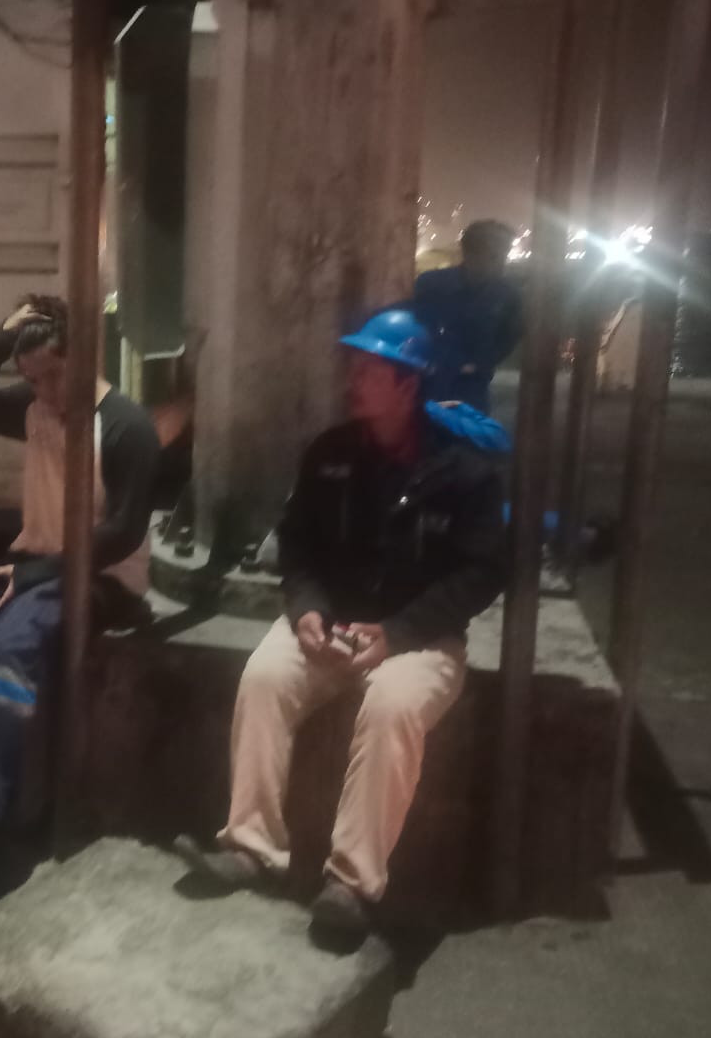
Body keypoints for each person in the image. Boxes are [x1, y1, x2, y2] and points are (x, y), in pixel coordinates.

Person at [177, 310, 507, 950]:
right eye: (353, 367)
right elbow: (297, 545)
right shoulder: (331, 453)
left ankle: (352, 884)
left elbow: (484, 573)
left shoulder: (464, 471)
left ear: (407, 384)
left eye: (367, 370)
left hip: (421, 638)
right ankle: (250, 847)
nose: (351, 381)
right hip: (332, 625)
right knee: (265, 676)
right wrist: (306, 609)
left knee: (391, 707)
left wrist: (398, 633)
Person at [0, 295, 161, 925]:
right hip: (36, 566)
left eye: (54, 375)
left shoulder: (126, 425)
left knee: (13, 649)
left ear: (85, 357)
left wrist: (33, 573)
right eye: (32, 380)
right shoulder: (37, 410)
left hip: (102, 578)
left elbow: (124, 533)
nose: (46, 393)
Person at [413, 219, 522, 412]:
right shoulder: (431, 285)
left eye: (504, 254)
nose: (502, 263)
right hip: (427, 384)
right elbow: (413, 325)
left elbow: (511, 335)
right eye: (494, 256)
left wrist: (481, 363)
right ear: (470, 253)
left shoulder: (507, 294)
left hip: (473, 388)